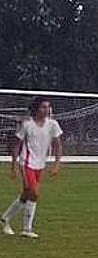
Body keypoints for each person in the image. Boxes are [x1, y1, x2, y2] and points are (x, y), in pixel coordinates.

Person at [2, 97, 64, 238]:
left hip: (40, 164)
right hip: (26, 163)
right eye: (43, 107)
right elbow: (16, 145)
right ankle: (27, 228)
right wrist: (14, 166)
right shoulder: (27, 125)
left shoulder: (53, 125)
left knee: (26, 194)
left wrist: (56, 165)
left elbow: (58, 145)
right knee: (34, 192)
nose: (47, 110)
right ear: (36, 109)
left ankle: (5, 219)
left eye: (48, 107)